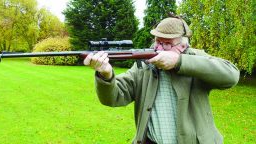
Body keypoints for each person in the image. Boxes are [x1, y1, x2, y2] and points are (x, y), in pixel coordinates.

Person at [83, 17, 240, 144]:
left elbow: (231, 76)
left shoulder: (195, 58)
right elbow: (114, 97)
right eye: (158, 41)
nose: (160, 48)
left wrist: (179, 62)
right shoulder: (145, 65)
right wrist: (106, 74)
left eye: (168, 43)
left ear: (183, 45)